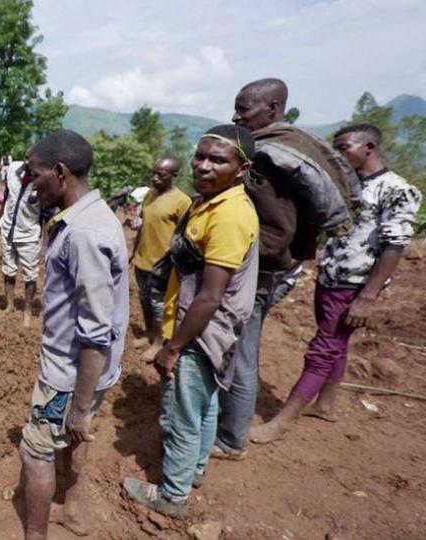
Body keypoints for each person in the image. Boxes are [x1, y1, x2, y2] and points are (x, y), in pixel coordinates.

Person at [213, 78, 357, 461]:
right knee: (237, 350)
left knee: (241, 354)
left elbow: (276, 232)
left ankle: (231, 438)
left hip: (257, 274)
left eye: (244, 109)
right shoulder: (289, 146)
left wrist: (230, 262)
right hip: (269, 270)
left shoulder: (266, 158)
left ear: (272, 110)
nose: (236, 115)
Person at [250, 124, 422, 444]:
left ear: (368, 147)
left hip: (354, 284)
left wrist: (368, 296)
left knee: (324, 347)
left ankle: (282, 422)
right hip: (331, 276)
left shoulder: (397, 189)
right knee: (336, 344)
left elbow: (395, 246)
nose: (340, 155)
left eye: (345, 148)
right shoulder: (350, 185)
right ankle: (326, 404)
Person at [123, 125, 259, 518]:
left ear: (241, 167)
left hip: (202, 332)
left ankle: (173, 495)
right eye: (200, 156)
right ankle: (196, 469)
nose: (203, 165)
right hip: (204, 327)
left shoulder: (230, 214)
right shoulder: (211, 202)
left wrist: (173, 347)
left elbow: (211, 295)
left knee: (183, 413)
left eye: (218, 159)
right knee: (205, 401)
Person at [17, 130, 128, 540]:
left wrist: (79, 406)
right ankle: (75, 512)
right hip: (88, 372)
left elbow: (95, 332)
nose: (31, 182)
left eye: (35, 173)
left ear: (60, 173)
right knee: (76, 437)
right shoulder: (92, 218)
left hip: (68, 374)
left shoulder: (83, 234)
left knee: (35, 451)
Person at [132, 156, 192, 346]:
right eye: (154, 173)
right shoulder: (150, 194)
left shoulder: (182, 202)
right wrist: (133, 251)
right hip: (141, 259)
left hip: (163, 265)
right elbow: (145, 224)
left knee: (159, 305)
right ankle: (149, 334)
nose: (155, 178)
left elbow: (185, 237)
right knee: (144, 299)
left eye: (161, 175)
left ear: (174, 175)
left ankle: (159, 343)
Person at [0, 158, 42, 327]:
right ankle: (10, 304)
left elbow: (48, 212)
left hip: (28, 235)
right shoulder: (13, 169)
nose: (28, 163)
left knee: (30, 274)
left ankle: (27, 311)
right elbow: (7, 195)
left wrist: (47, 242)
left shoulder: (43, 180)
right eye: (27, 159)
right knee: (8, 269)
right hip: (8, 228)